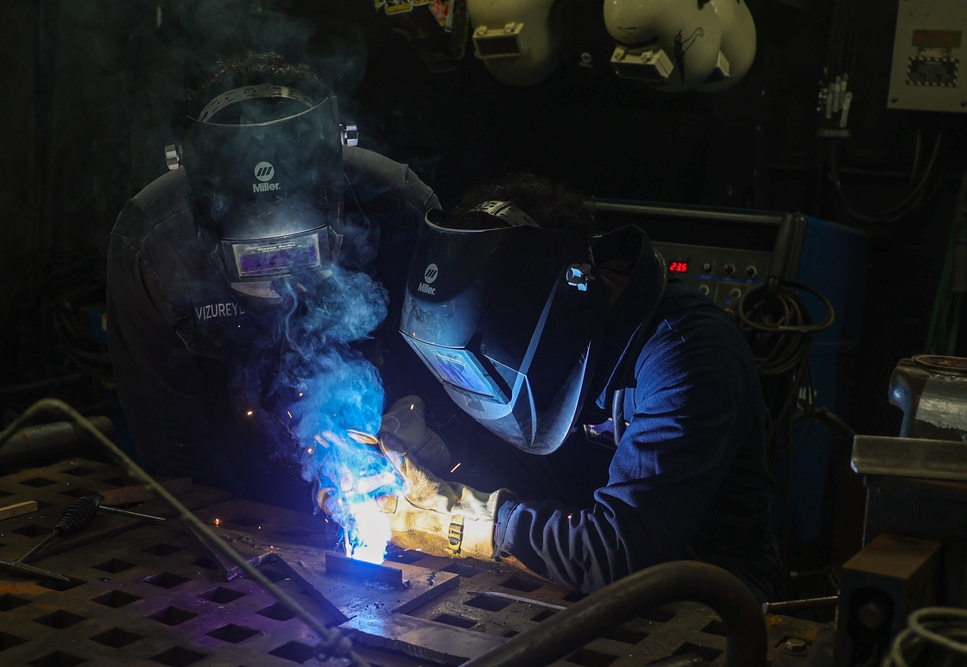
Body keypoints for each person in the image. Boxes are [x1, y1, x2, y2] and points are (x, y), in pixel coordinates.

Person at [375, 173, 784, 602]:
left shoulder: (685, 356)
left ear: (560, 296)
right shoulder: (547, 344)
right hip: (572, 582)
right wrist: (437, 457)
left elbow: (619, 553)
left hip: (704, 602)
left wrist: (461, 520)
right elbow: (530, 474)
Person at [106, 51, 441, 513]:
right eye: (259, 262)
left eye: (299, 258)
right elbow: (169, 436)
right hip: (232, 476)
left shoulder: (397, 206)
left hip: (384, 477)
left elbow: (440, 369)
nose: (283, 290)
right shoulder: (153, 245)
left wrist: (420, 434)